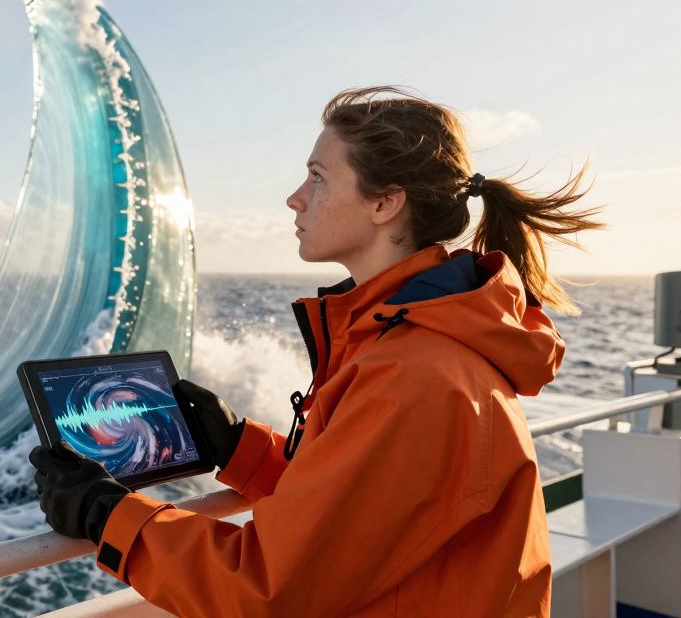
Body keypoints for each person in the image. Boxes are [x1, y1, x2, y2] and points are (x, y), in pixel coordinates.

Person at [31, 86, 603, 616]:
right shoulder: (416, 336)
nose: (295, 198)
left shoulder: (414, 371)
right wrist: (241, 450)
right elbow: (369, 513)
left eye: (318, 178)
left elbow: (271, 590)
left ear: (385, 204)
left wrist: (105, 514)